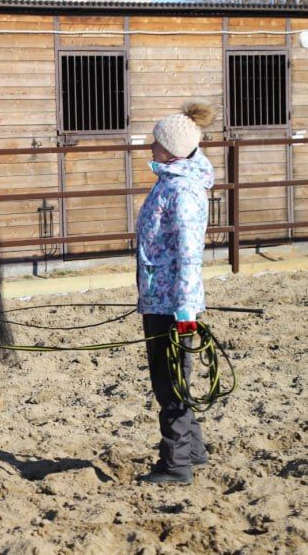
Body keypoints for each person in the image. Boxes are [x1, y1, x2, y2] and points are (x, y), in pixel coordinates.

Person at [135, 101, 216, 484]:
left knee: (170, 384)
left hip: (172, 305)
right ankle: (194, 452)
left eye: (155, 142)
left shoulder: (181, 191)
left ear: (171, 149)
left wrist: (185, 312)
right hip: (160, 297)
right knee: (172, 380)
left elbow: (188, 255)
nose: (150, 147)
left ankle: (175, 464)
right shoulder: (171, 181)